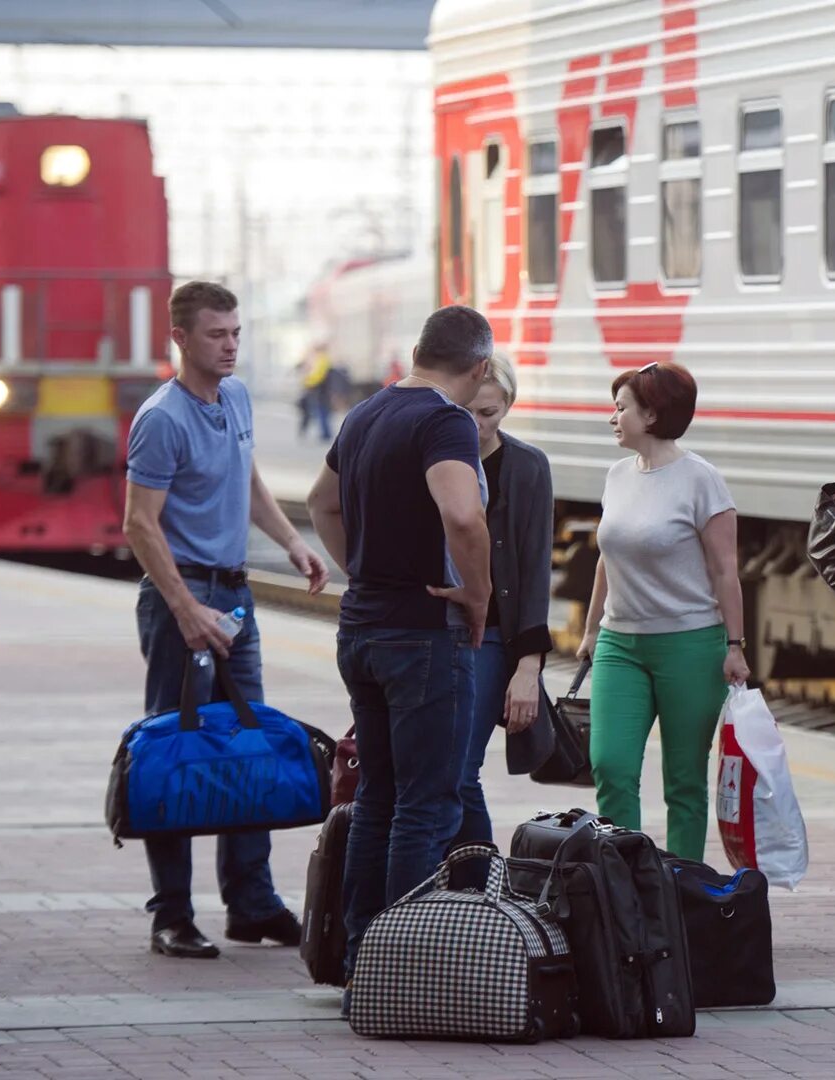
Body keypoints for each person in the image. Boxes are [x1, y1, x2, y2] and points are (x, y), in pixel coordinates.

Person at [122, 281, 329, 960]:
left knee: (249, 747)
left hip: (236, 598)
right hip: (181, 599)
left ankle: (251, 902)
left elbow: (247, 477)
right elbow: (139, 526)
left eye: (236, 332)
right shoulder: (161, 418)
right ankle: (171, 915)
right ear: (180, 338)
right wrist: (184, 609)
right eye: (217, 334)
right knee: (177, 752)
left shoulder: (235, 397)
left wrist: (293, 541)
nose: (231, 344)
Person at [306, 305, 493, 977]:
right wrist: (478, 593)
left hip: (361, 629)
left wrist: (361, 567)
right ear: (480, 368)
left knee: (379, 798)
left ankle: (362, 957)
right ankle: (399, 965)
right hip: (421, 637)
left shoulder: (365, 414)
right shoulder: (445, 421)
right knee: (426, 803)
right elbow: (463, 516)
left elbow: (321, 501)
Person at [577, 361, 745, 862]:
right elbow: (608, 556)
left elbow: (724, 573)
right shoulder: (617, 475)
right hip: (619, 643)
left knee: (684, 780)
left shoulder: (702, 482)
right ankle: (624, 884)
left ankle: (682, 889)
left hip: (690, 645)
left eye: (621, 407)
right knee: (610, 765)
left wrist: (734, 646)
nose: (613, 417)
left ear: (650, 415)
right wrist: (591, 630)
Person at [447, 354, 554, 851]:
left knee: (460, 768)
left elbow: (534, 570)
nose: (475, 424)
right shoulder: (435, 458)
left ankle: (480, 880)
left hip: (491, 635)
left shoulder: (528, 466)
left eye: (487, 413)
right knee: (435, 771)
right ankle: (454, 883)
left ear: (507, 406)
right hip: (434, 630)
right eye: (465, 411)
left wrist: (528, 668)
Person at [299, 347, 334, 442]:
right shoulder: (323, 360)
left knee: (322, 412)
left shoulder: (322, 361)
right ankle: (326, 433)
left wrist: (307, 382)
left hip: (321, 392)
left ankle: (326, 434)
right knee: (323, 412)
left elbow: (317, 377)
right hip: (323, 391)